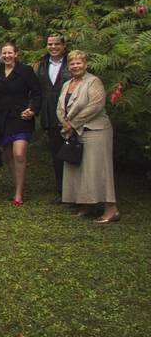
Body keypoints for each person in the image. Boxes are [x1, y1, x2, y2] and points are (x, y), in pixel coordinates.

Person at [58, 50, 119, 223]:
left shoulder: (93, 82)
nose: (75, 66)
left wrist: (73, 123)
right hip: (75, 131)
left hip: (95, 131)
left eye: (79, 63)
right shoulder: (67, 84)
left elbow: (95, 106)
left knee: (99, 170)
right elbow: (60, 107)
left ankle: (111, 209)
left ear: (85, 64)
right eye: (72, 63)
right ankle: (87, 204)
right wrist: (64, 123)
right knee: (80, 170)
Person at [0, 42, 41, 206]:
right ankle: (18, 186)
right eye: (4, 53)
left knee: (19, 153)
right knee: (8, 155)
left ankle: (19, 193)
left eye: (10, 53)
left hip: (21, 117)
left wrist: (32, 109)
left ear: (16, 54)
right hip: (3, 118)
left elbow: (36, 93)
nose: (7, 56)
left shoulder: (25, 71)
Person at [37, 33, 72, 200]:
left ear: (63, 46)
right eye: (50, 44)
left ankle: (75, 192)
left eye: (57, 44)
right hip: (50, 116)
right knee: (57, 155)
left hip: (70, 116)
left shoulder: (70, 63)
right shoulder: (43, 64)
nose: (53, 47)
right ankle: (62, 191)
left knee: (72, 154)